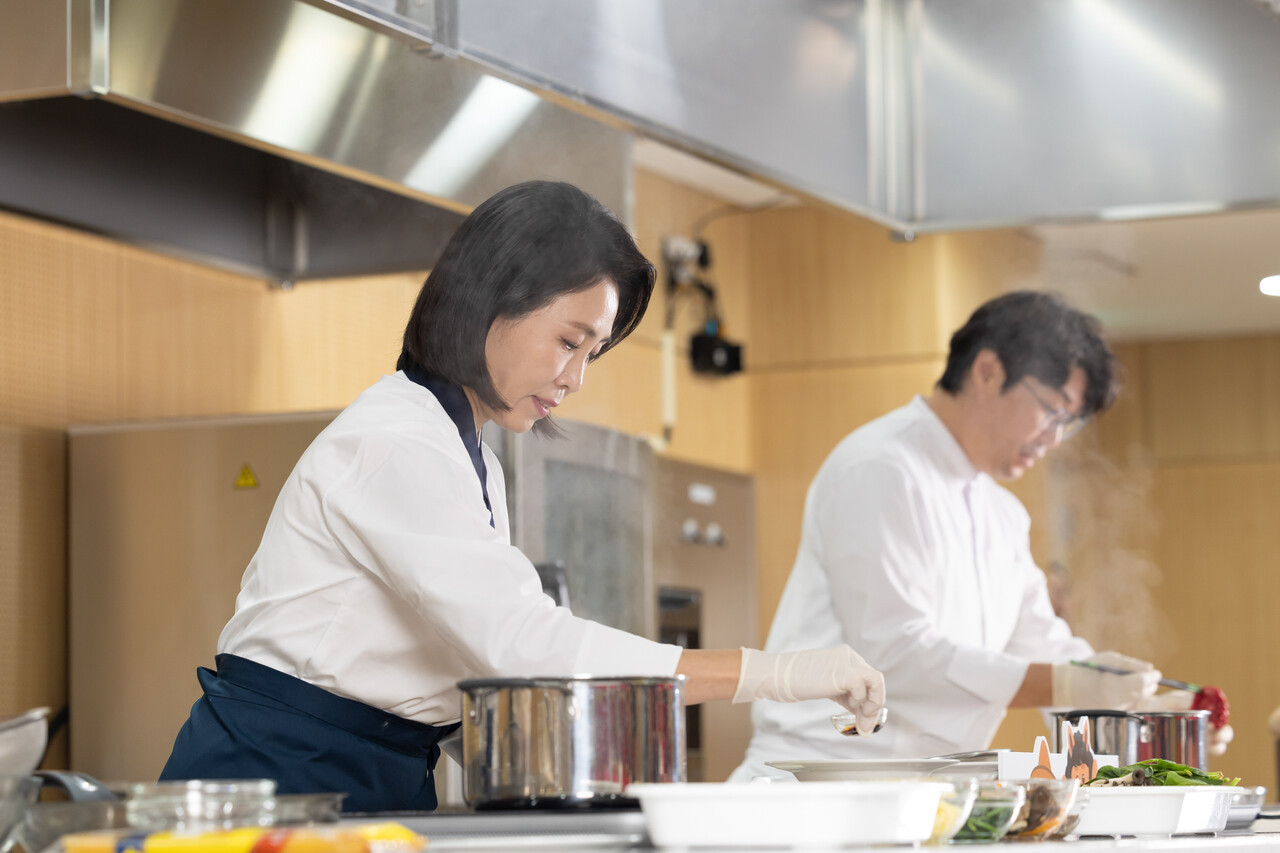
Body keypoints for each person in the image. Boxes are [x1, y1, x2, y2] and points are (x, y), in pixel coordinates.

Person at [159, 180, 885, 811]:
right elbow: (527, 645)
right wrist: (776, 672)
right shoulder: (395, 442)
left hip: (369, 774)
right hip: (279, 777)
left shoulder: (468, 452)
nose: (575, 378)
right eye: (569, 340)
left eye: (591, 352)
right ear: (490, 301)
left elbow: (474, 664)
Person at [730, 291, 1230, 780]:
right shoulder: (882, 468)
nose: (1054, 438)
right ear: (987, 370)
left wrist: (1147, 715)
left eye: (1068, 424)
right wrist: (1064, 683)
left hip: (929, 786)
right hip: (824, 777)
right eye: (1052, 411)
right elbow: (893, 655)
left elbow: (1045, 649)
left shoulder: (1001, 512)